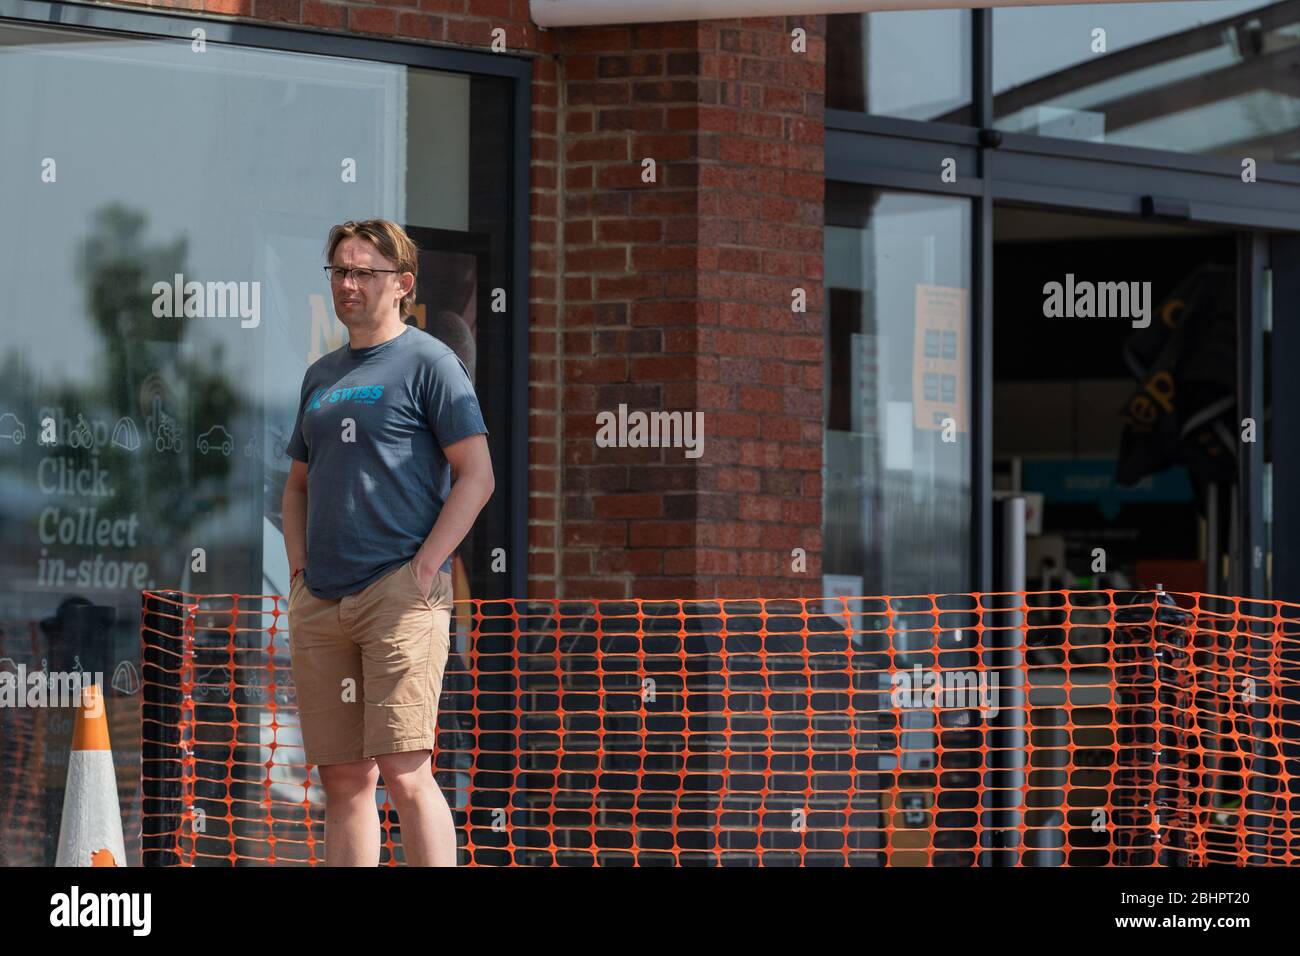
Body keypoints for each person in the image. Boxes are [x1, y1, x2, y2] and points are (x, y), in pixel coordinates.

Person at [282, 218, 494, 866]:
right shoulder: (320, 375)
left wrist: (426, 568)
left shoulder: (431, 363)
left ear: (401, 284)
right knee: (344, 782)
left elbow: (477, 475)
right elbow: (296, 487)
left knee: (405, 770)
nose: (348, 284)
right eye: (339, 271)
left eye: (363, 272)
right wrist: (298, 578)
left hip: (399, 597)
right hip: (322, 602)